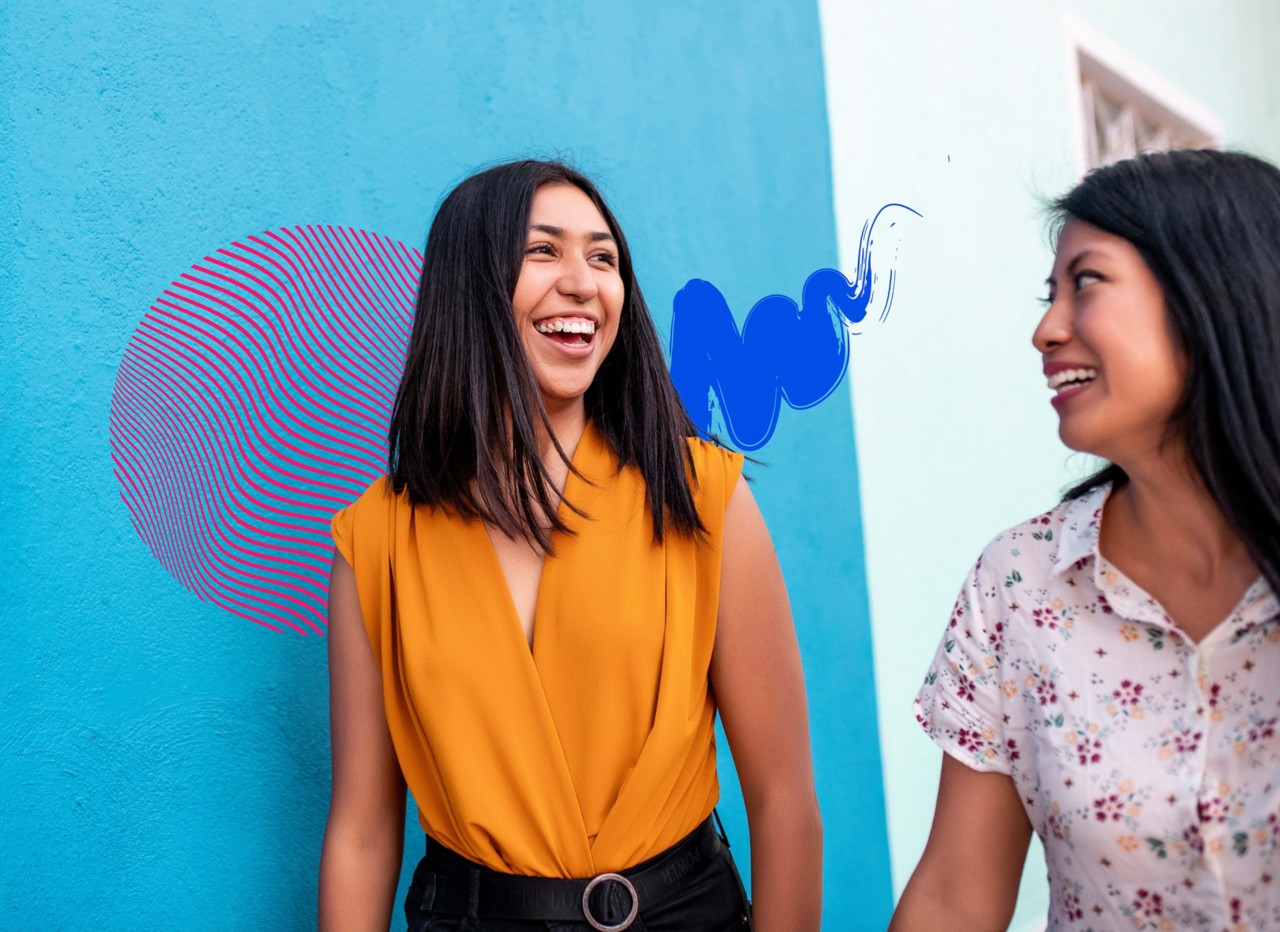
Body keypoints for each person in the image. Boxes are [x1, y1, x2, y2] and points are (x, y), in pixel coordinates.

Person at [317, 159, 822, 932]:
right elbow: (361, 832)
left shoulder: (703, 496)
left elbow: (784, 801)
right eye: (543, 251)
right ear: (471, 286)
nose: (583, 283)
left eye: (603, 258)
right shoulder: (376, 539)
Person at [891, 149, 1280, 930]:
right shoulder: (1019, 583)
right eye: (1050, 295)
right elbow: (955, 898)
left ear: (1213, 293)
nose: (1047, 330)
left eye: (1087, 282)